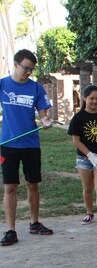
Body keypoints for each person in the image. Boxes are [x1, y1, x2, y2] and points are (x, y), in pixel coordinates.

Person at [0, 49, 54, 247]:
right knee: (10, 186)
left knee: (33, 183)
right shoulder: (3, 85)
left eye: (31, 69)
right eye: (25, 68)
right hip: (8, 144)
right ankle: (11, 230)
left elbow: (43, 114)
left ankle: (34, 223)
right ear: (15, 64)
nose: (28, 72)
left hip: (31, 143)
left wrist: (46, 120)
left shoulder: (36, 88)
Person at [68, 85, 97, 229]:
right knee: (87, 187)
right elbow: (76, 140)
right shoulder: (78, 118)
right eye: (91, 98)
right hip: (84, 158)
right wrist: (89, 155)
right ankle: (89, 212)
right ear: (85, 98)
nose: (94, 101)